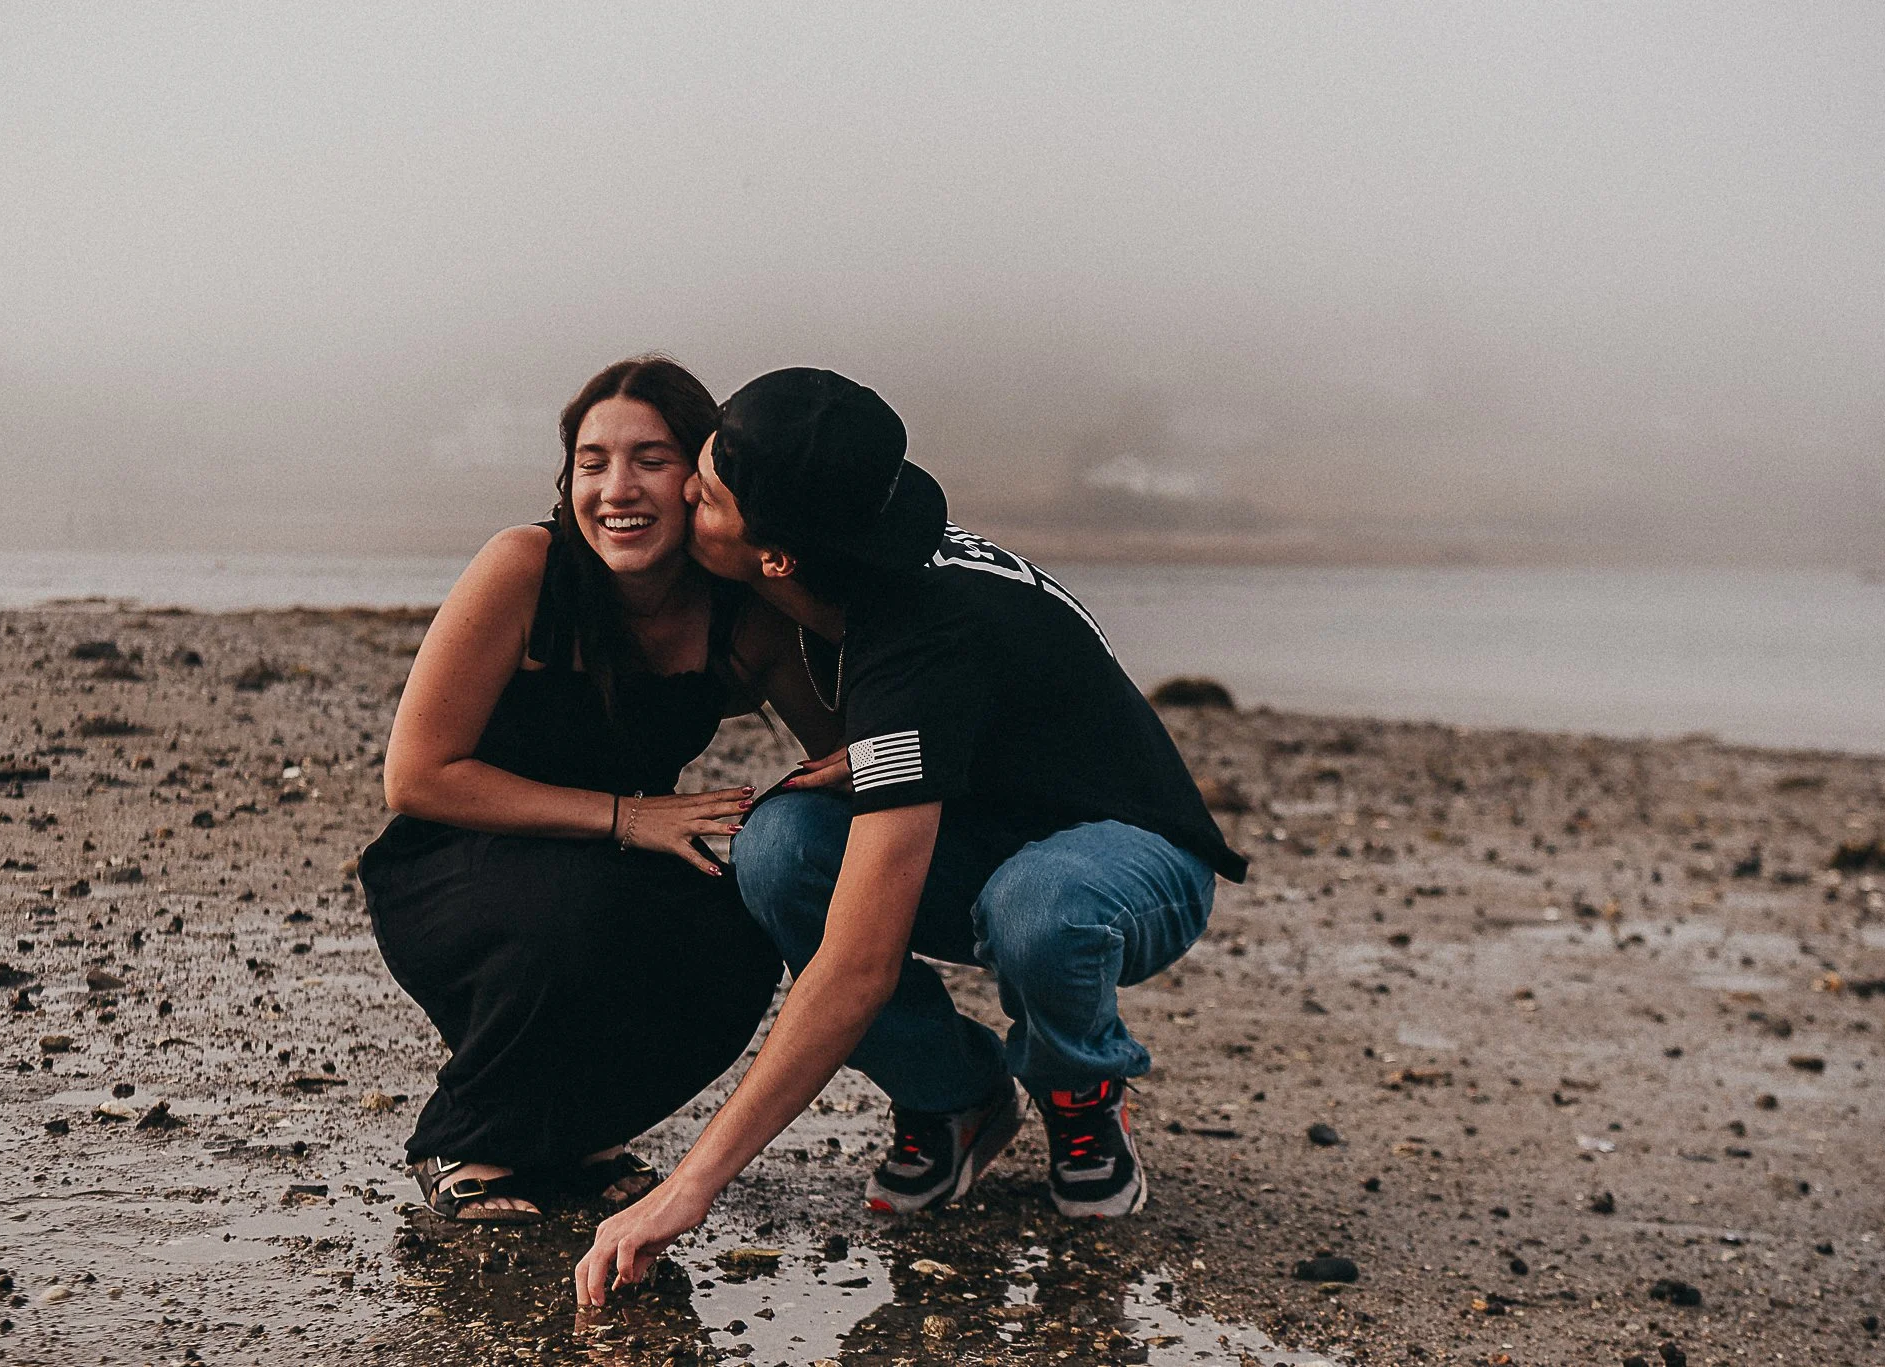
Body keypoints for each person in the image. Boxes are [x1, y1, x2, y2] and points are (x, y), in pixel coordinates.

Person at [575, 367, 1248, 1302]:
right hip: (990, 832)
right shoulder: (847, 539)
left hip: (1137, 857)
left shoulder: (915, 635)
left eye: (710, 491)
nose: (686, 486)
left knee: (1037, 905)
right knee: (778, 845)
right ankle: (955, 1094)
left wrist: (687, 1189)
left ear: (777, 558)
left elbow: (858, 966)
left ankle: (1081, 1090)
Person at [363, 356, 838, 1222]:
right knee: (573, 917)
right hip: (454, 859)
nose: (617, 488)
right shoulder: (525, 567)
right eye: (593, 463)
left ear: (703, 479)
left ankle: (581, 1134)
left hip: (613, 863)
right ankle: (463, 1138)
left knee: (737, 937)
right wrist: (627, 816)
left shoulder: (741, 611)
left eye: (651, 459)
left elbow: (839, 748)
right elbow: (417, 776)